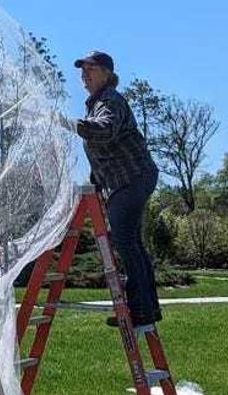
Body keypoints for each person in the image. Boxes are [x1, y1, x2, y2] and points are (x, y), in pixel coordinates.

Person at [56, 50, 161, 328]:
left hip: (131, 179)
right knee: (132, 243)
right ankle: (147, 308)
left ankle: (139, 309)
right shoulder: (97, 103)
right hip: (129, 180)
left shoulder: (109, 100)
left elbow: (103, 131)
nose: (84, 74)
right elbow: (103, 154)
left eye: (90, 69)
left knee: (125, 241)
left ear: (107, 74)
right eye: (82, 70)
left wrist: (68, 123)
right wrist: (94, 185)